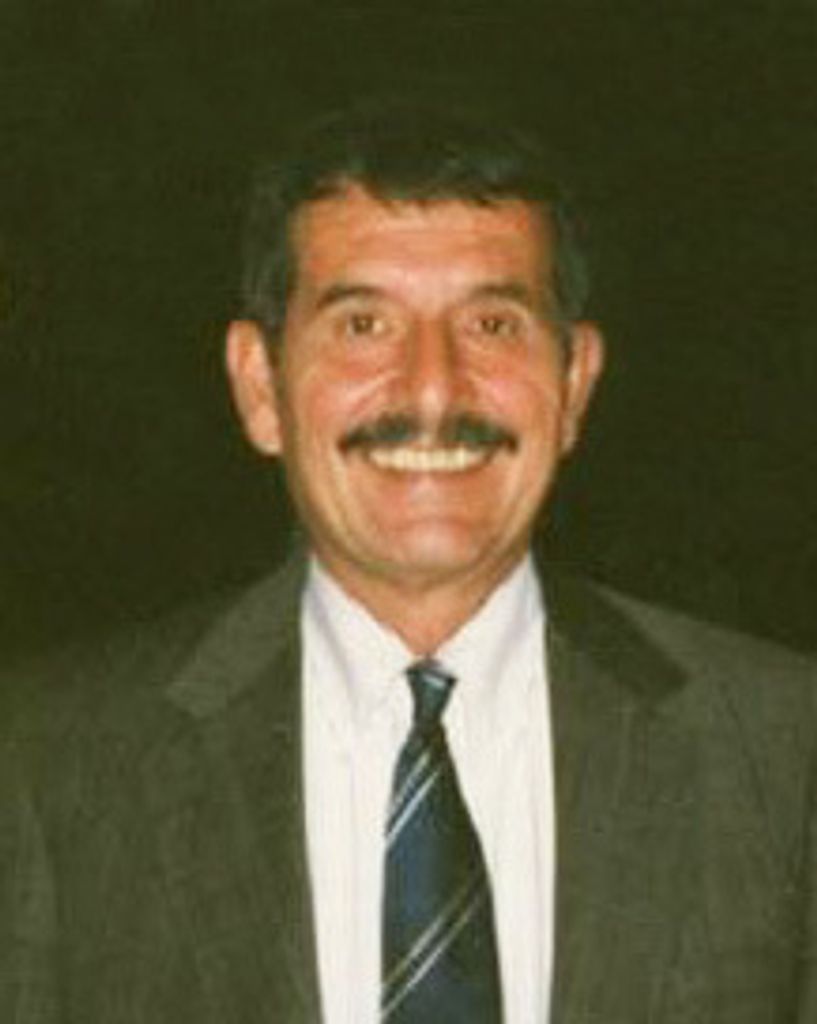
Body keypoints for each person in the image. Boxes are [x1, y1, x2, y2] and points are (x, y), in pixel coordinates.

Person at [2, 97, 816, 1024]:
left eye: (492, 325)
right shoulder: (49, 768)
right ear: (260, 387)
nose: (432, 389)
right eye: (363, 325)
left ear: (574, 384)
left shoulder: (782, 754)